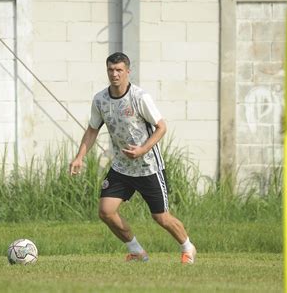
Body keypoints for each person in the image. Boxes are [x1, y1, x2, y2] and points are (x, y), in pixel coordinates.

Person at [69, 52, 196, 264]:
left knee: (161, 217)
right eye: (110, 70)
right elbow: (92, 130)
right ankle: (137, 251)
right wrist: (79, 157)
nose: (114, 74)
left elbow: (161, 127)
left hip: (148, 167)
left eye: (119, 70)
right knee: (105, 211)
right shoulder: (100, 100)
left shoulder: (139, 97)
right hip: (121, 167)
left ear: (128, 71)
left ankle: (188, 247)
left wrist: (143, 149)